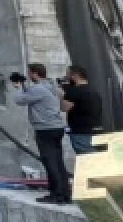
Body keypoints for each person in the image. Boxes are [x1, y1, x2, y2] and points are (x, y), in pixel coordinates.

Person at [13, 63, 71, 204]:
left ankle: (56, 195)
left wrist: (18, 88)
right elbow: (34, 96)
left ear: (34, 74)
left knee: (50, 162)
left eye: (29, 73)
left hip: (45, 129)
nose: (28, 76)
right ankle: (64, 193)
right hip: (57, 128)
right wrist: (25, 87)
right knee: (58, 162)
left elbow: (19, 100)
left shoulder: (38, 89)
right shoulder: (51, 86)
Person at [61, 66, 102, 155]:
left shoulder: (74, 91)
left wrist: (61, 95)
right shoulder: (94, 90)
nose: (66, 77)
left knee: (86, 158)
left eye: (68, 74)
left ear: (75, 76)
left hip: (80, 132)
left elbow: (64, 108)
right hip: (95, 129)